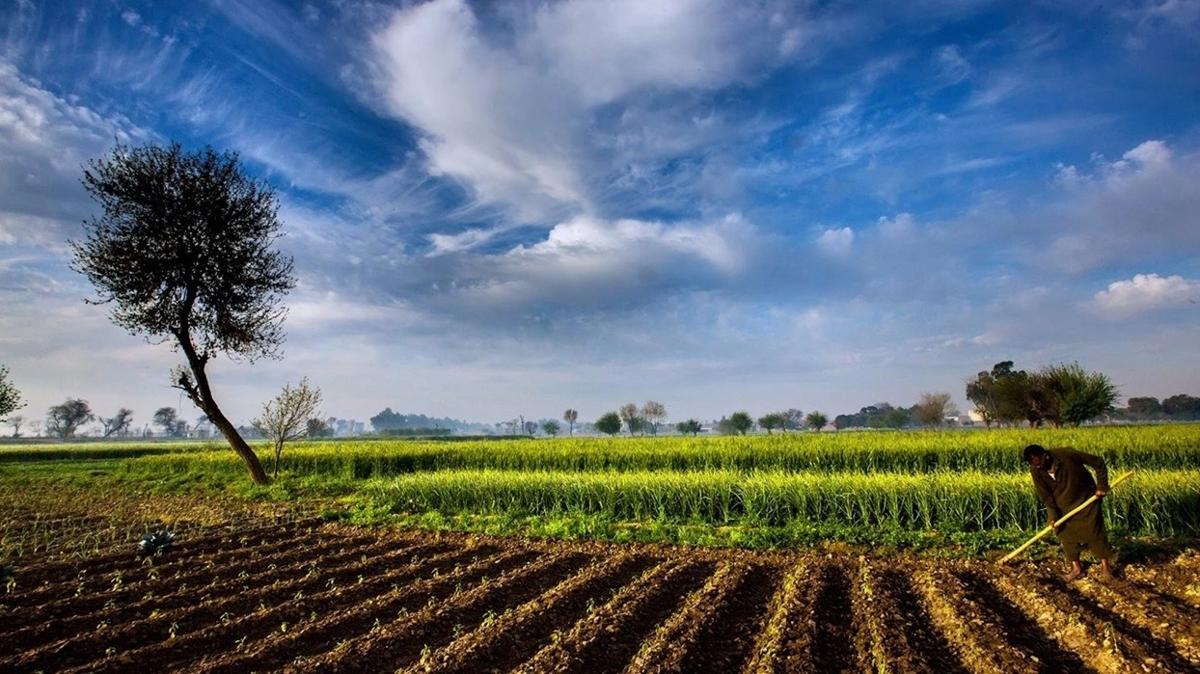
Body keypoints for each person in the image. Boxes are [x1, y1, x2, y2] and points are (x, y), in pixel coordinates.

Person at [1022, 444, 1115, 581]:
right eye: (1035, 465)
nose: (1038, 467)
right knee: (1066, 535)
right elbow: (1046, 496)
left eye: (1040, 464)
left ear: (1045, 456)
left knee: (1095, 532)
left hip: (1086, 499)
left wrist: (1101, 486)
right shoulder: (1036, 470)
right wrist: (1053, 516)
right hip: (1063, 505)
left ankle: (1106, 567)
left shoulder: (1066, 454)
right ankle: (1076, 569)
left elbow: (1098, 462)